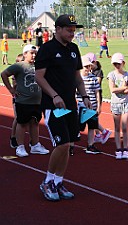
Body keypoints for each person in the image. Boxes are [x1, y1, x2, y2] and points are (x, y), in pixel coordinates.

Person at [35, 14, 91, 202]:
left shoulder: (74, 49)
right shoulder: (47, 49)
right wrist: (54, 95)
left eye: (74, 30)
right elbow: (39, 77)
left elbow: (77, 77)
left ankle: (58, 182)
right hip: (54, 105)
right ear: (57, 29)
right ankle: (47, 182)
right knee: (62, 144)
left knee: (69, 146)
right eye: (68, 30)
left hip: (71, 105)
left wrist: (84, 96)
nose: (72, 33)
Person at [1, 44, 49, 157]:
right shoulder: (19, 66)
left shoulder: (38, 66)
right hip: (23, 101)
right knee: (22, 123)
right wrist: (11, 90)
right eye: (31, 53)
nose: (33, 55)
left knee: (35, 122)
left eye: (35, 53)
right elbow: (4, 74)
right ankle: (20, 146)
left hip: (37, 101)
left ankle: (35, 145)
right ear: (25, 54)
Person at [71, 55, 110, 155]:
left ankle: (90, 145)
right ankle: (71, 146)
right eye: (85, 67)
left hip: (92, 106)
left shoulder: (93, 78)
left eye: (89, 66)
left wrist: (98, 106)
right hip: (81, 107)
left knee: (92, 127)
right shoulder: (76, 78)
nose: (88, 69)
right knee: (77, 127)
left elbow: (97, 92)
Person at [107, 53, 128, 159]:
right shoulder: (111, 75)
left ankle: (125, 148)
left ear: (123, 63)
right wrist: (123, 87)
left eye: (118, 63)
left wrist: (122, 89)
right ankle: (118, 149)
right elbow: (112, 90)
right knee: (117, 127)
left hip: (126, 103)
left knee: (125, 127)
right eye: (115, 64)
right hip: (115, 103)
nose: (117, 66)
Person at [85, 52, 111, 145]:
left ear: (95, 62)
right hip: (89, 96)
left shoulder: (98, 72)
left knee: (92, 117)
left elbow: (97, 84)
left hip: (95, 96)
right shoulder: (89, 72)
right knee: (92, 118)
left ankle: (104, 131)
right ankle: (98, 135)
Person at [10, 53, 24, 148]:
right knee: (17, 118)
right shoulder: (15, 74)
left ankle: (33, 140)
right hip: (17, 98)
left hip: (27, 99)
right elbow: (14, 86)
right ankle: (13, 137)